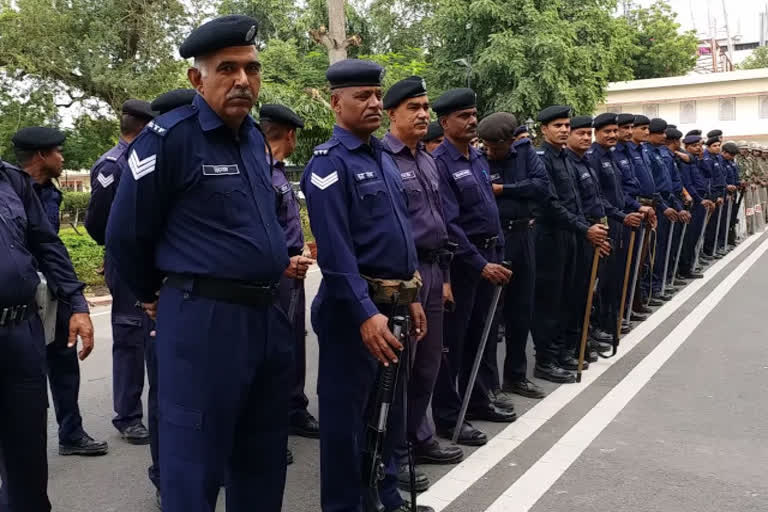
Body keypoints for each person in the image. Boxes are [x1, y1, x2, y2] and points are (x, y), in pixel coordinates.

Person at [106, 15, 294, 512]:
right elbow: (124, 235)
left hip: (266, 316)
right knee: (195, 464)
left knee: (263, 455)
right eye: (227, 69)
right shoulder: (169, 139)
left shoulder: (253, 138)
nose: (241, 81)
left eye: (251, 69)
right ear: (197, 78)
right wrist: (153, 294)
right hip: (204, 319)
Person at [300, 58, 429, 512]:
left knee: (389, 414)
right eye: (363, 96)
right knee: (346, 421)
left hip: (391, 305)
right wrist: (365, 314)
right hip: (351, 314)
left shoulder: (383, 157)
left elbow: (400, 237)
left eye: (377, 95)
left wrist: (410, 295)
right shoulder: (327, 166)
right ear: (336, 104)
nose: (375, 103)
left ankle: (385, 498)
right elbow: (336, 255)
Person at [381, 77, 464, 491]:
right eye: (412, 107)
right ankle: (394, 454)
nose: (422, 114)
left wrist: (445, 277)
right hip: (403, 278)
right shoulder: (382, 158)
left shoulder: (427, 159)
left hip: (433, 272)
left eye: (426, 107)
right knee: (401, 370)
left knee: (429, 364)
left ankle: (419, 437)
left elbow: (441, 224)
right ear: (391, 112)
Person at [0, 149, 94, 512]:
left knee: (27, 459)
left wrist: (77, 304)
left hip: (20, 334)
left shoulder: (12, 181)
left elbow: (48, 246)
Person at [7, 127, 108, 460]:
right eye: (57, 152)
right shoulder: (12, 188)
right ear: (41, 156)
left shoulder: (49, 191)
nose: (62, 158)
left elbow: (51, 244)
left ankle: (71, 433)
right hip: (19, 299)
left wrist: (75, 299)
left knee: (64, 360)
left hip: (52, 290)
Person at [429, 88, 515, 448]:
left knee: (481, 335)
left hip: (488, 258)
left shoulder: (477, 159)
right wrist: (480, 265)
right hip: (463, 266)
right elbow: (449, 224)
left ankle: (477, 400)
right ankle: (450, 418)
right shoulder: (441, 163)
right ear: (445, 122)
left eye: (473, 114)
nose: (472, 121)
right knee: (454, 343)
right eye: (463, 116)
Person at [86, 99, 157, 451]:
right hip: (126, 262)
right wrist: (116, 251)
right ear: (142, 128)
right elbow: (97, 222)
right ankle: (128, 416)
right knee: (130, 337)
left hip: (152, 262)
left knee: (157, 335)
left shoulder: (145, 160)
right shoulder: (113, 165)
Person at [258, 103, 319, 458]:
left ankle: (293, 410)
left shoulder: (278, 171)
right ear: (291, 134)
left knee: (293, 342)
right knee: (275, 350)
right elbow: (260, 230)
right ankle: (270, 426)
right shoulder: (261, 172)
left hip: (293, 269)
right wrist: (284, 260)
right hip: (275, 274)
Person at [530, 106, 608, 384]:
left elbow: (575, 200)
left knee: (568, 296)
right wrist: (583, 227)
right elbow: (551, 205)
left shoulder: (565, 157)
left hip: (572, 235)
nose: (563, 129)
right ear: (543, 130)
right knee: (549, 301)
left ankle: (562, 350)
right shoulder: (541, 158)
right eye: (557, 126)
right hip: (550, 236)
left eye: (565, 125)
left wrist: (583, 228)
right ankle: (545, 359)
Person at [478, 112, 548, 399]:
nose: (491, 151)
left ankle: (516, 376)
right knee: (492, 315)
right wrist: (517, 194)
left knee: (521, 309)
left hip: (522, 236)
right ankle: (490, 384)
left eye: (497, 146)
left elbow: (541, 188)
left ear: (510, 141)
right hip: (496, 240)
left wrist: (504, 189)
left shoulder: (525, 154)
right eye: (487, 146)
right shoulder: (479, 159)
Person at [586, 113, 645, 343]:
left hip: (620, 221)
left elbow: (619, 192)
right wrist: (620, 215)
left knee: (616, 276)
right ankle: (599, 324)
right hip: (606, 223)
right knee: (603, 278)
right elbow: (598, 196)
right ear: (596, 133)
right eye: (607, 132)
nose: (612, 135)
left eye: (614, 131)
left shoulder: (610, 156)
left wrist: (635, 207)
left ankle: (612, 319)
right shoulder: (593, 157)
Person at [563, 115, 613, 361]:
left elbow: (597, 199)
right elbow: (574, 207)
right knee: (579, 292)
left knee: (591, 290)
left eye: (587, 134)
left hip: (596, 232)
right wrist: (590, 232)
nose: (585, 138)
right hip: (582, 235)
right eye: (580, 133)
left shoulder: (585, 162)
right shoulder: (569, 163)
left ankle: (586, 335)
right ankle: (576, 342)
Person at [612, 113, 656, 326]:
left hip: (638, 209)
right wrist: (636, 206)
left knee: (636, 263)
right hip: (623, 214)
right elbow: (616, 190)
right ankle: (618, 312)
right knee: (620, 268)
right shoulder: (612, 153)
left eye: (631, 127)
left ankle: (629, 306)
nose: (628, 132)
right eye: (624, 128)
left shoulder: (634, 150)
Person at [646, 118, 683, 301]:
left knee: (663, 248)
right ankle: (652, 289)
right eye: (660, 133)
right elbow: (652, 186)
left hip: (667, 202)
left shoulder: (661, 152)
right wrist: (663, 206)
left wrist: (675, 204)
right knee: (654, 250)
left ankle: (660, 284)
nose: (664, 137)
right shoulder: (647, 153)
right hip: (657, 205)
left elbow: (670, 182)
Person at [678, 134, 715, 279]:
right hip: (694, 201)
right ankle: (685, 269)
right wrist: (699, 199)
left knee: (696, 234)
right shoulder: (685, 161)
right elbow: (688, 183)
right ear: (686, 147)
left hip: (700, 199)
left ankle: (691, 264)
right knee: (690, 235)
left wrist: (700, 158)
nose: (698, 147)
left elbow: (707, 173)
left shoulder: (695, 160)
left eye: (699, 145)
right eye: (694, 146)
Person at [702, 137, 726, 258]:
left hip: (719, 194)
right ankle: (707, 251)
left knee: (716, 224)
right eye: (714, 146)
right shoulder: (707, 159)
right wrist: (714, 197)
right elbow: (709, 180)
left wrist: (721, 195)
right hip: (711, 196)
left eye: (718, 145)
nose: (717, 147)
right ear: (708, 147)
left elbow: (721, 178)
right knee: (709, 226)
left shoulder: (717, 157)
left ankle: (713, 249)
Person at [720, 142, 741, 247]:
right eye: (731, 154)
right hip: (725, 193)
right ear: (724, 152)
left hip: (733, 192)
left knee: (731, 218)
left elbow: (735, 175)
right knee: (723, 219)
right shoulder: (721, 162)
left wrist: (738, 184)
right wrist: (727, 188)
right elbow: (720, 178)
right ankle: (721, 242)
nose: (732, 157)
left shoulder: (731, 162)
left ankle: (728, 240)